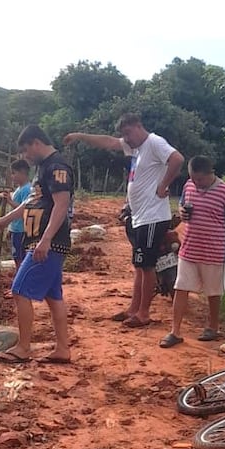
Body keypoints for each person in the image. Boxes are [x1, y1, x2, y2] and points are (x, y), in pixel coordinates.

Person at [64, 114, 183, 328]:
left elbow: (177, 159)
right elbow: (108, 142)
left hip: (153, 217)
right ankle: (134, 309)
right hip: (139, 217)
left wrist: (164, 184)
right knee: (139, 266)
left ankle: (144, 314)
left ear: (139, 126)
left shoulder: (154, 142)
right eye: (123, 135)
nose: (125, 138)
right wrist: (80, 136)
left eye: (128, 133)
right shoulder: (136, 148)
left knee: (146, 267)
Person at [0, 125, 73, 364]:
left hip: (49, 243)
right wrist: (5, 219)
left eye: (27, 150)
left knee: (19, 289)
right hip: (40, 241)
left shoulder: (57, 167)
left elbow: (61, 205)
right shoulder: (43, 168)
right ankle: (62, 349)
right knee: (53, 296)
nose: (26, 156)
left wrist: (46, 240)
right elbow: (30, 203)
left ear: (36, 143)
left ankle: (24, 347)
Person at [159, 156, 225, 348]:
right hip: (189, 249)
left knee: (213, 291)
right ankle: (175, 331)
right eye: (193, 179)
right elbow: (182, 205)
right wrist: (182, 212)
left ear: (210, 174)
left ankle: (213, 327)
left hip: (214, 251)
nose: (196, 183)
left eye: (200, 180)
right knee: (181, 288)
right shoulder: (189, 186)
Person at [0, 159, 32, 268]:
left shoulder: (27, 190)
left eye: (14, 173)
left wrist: (10, 201)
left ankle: (21, 278)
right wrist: (10, 229)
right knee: (16, 255)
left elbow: (25, 209)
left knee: (20, 257)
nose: (12, 176)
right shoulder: (19, 189)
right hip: (16, 229)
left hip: (22, 230)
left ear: (22, 172)